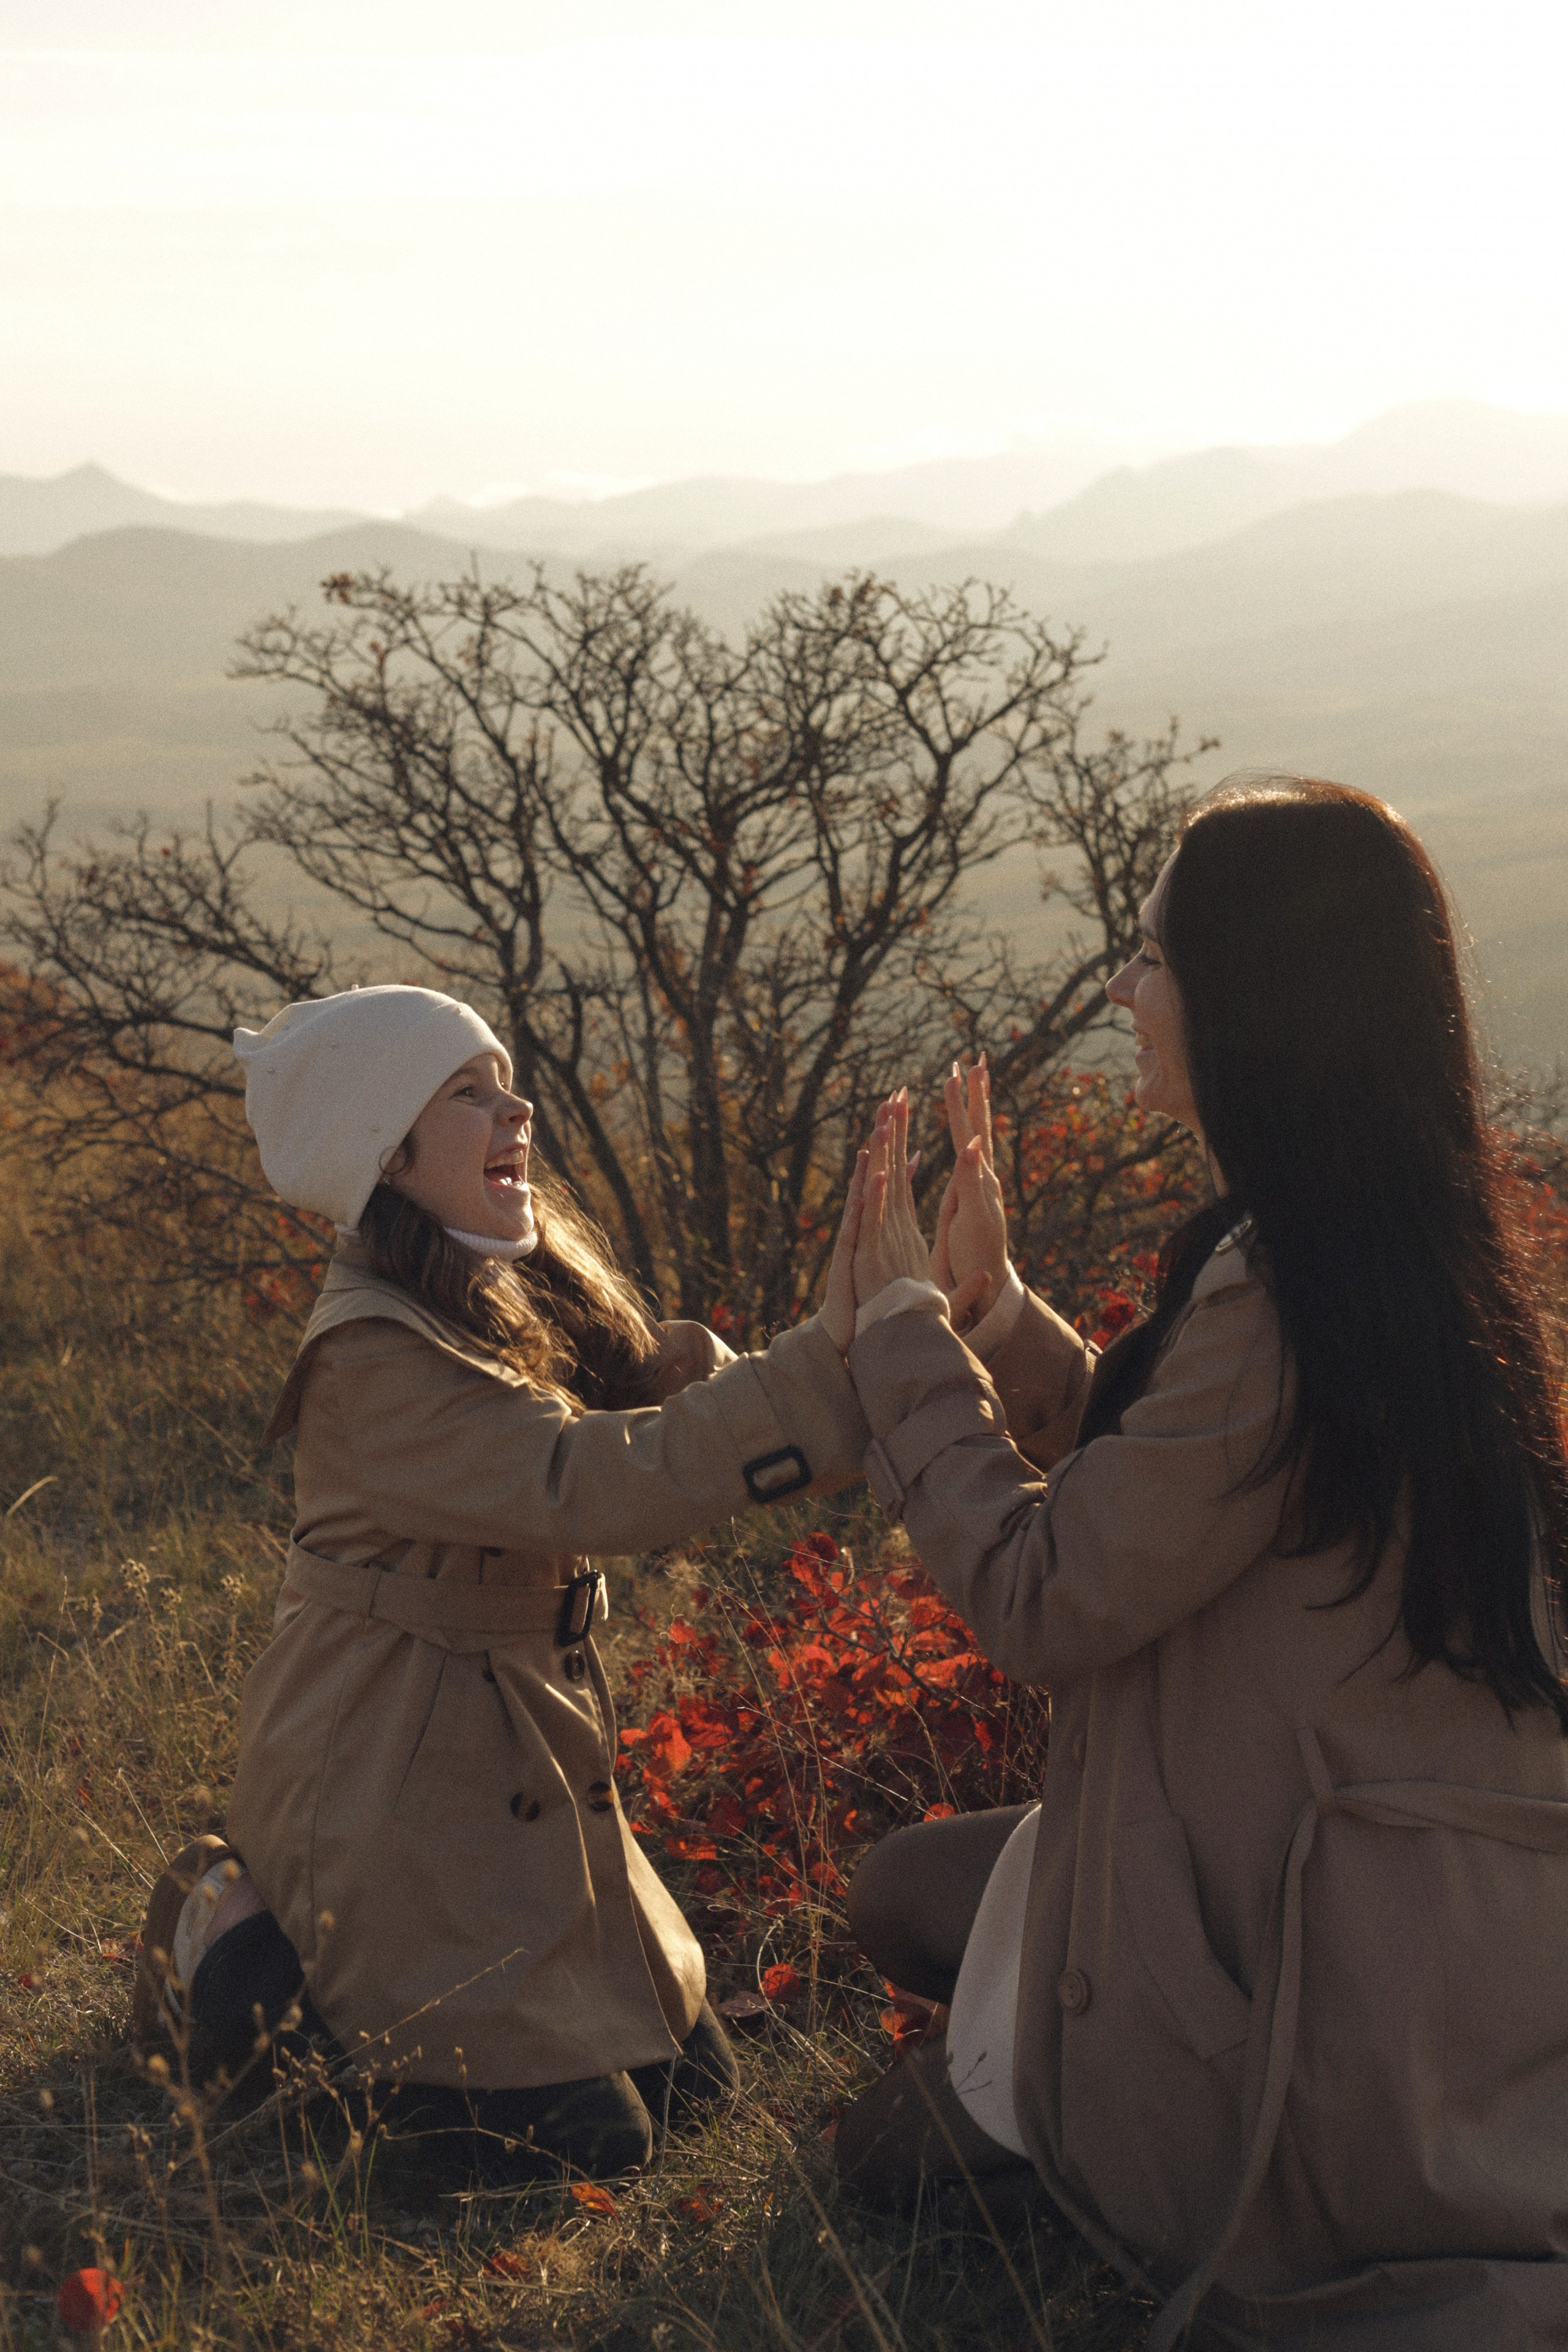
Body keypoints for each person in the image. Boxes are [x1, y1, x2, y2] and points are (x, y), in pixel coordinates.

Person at [835, 780, 1568, 2351]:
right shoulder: (1385, 1236)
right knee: (902, 1896)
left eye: (1153, 957)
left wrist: (895, 1341)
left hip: (1308, 1931)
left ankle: (1165, 2150)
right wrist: (999, 1324)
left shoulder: (1288, 1279)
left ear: (1254, 996)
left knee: (884, 2154)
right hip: (1360, 1877)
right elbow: (1188, 1481)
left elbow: (1048, 1598)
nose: (1121, 988)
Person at [134, 983, 870, 2181]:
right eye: (468, 1092)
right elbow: (586, 1481)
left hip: (514, 1770)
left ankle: (328, 1990)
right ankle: (227, 1959)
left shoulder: (498, 1288)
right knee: (588, 2145)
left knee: (694, 2098)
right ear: (390, 1147)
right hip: (390, 1784)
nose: (515, 1109)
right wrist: (817, 1375)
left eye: (503, 1081)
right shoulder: (372, 1355)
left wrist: (854, 1361)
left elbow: (650, 1414)